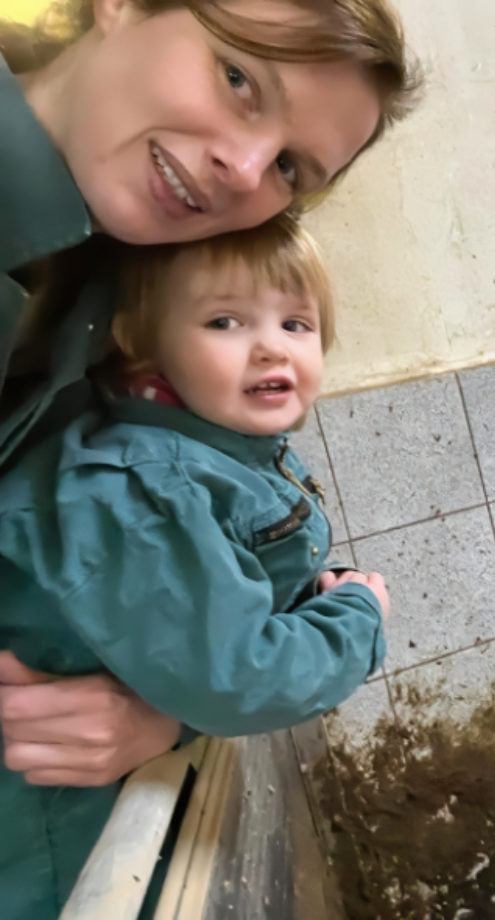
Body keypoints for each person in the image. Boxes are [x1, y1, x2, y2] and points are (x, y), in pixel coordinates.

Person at [0, 0, 418, 791]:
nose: (249, 166)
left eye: (292, 167)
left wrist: (161, 708)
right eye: (238, 78)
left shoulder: (111, 287)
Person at [0, 214, 391, 918]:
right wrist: (356, 617)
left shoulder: (209, 448)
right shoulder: (146, 485)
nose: (272, 346)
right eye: (225, 322)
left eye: (296, 324)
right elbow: (236, 676)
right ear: (139, 344)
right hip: (48, 825)